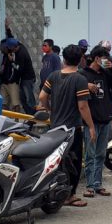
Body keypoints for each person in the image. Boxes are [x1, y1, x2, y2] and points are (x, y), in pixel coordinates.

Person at [39, 45, 95, 207]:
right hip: (72, 129)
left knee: (57, 161)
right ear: (80, 60)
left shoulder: (54, 75)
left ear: (64, 59)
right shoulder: (79, 79)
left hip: (55, 127)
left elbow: (42, 96)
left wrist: (50, 109)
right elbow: (83, 107)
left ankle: (56, 191)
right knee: (73, 162)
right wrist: (91, 126)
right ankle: (69, 195)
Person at [79, 45, 112, 197]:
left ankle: (98, 184)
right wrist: (86, 85)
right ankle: (90, 185)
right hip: (91, 120)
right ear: (96, 58)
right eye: (105, 58)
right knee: (90, 154)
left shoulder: (106, 73)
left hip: (105, 119)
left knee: (101, 154)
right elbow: (75, 90)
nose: (107, 60)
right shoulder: (83, 75)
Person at [0, 39, 23, 112]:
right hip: (4, 82)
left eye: (2, 47)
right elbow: (3, 68)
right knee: (3, 103)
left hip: (12, 83)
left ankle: (16, 120)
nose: (1, 48)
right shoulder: (5, 56)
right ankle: (4, 119)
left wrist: (12, 61)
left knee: (15, 104)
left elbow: (18, 69)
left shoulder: (16, 55)